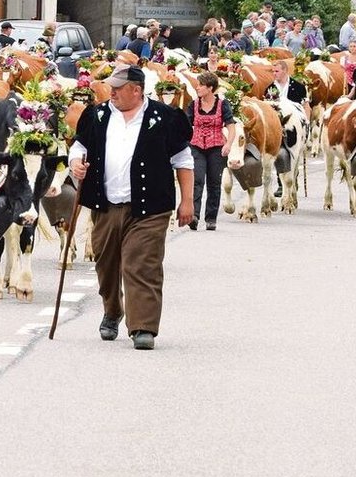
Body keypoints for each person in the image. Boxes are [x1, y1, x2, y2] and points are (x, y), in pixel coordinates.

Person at [67, 63, 194, 351]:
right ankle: (113, 311)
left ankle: (143, 327)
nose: (111, 92)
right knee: (106, 265)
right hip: (105, 204)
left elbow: (183, 160)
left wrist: (187, 201)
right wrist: (76, 163)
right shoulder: (97, 115)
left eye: (118, 88)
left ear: (136, 90)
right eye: (111, 87)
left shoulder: (165, 118)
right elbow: (79, 147)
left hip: (150, 207)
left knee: (141, 263)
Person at [184, 71, 236, 232]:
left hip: (216, 147)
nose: (197, 88)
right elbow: (186, 126)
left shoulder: (222, 104)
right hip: (197, 146)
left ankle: (211, 218)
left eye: (201, 85)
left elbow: (231, 126)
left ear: (210, 88)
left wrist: (228, 144)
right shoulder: (193, 104)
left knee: (214, 183)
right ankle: (194, 216)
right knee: (197, 180)